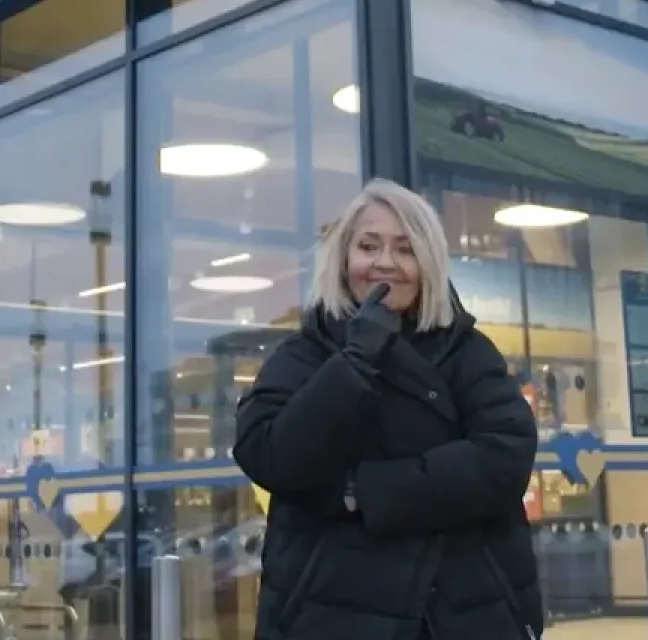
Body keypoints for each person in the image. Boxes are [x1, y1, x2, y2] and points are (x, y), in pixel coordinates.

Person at [233, 180, 544, 640]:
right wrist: (355, 360)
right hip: (331, 613)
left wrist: (368, 491)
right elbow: (269, 454)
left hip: (456, 613)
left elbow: (505, 456)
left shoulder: (467, 351)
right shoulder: (304, 353)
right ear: (344, 259)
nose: (385, 263)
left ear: (427, 264)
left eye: (405, 249)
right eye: (368, 246)